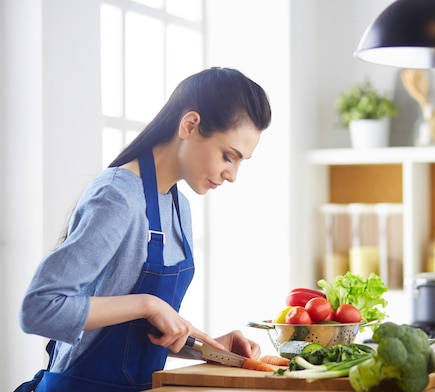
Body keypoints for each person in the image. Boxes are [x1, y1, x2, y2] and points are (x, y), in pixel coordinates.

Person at [15, 67, 272, 392]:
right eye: (228, 156)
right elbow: (39, 309)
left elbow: (137, 335)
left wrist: (207, 348)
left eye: (240, 162)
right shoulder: (118, 196)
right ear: (190, 125)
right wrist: (147, 304)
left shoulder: (180, 209)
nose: (232, 175)